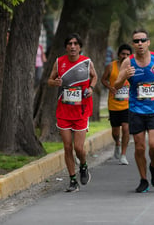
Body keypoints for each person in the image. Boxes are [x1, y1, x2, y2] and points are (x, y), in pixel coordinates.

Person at [114, 29, 154, 193]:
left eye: (142, 40)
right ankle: (143, 179)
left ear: (148, 42)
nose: (139, 43)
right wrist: (124, 75)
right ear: (133, 44)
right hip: (135, 109)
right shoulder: (127, 63)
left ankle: (153, 166)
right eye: (136, 41)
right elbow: (116, 86)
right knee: (139, 147)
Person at [47, 33, 98, 192]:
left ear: (80, 47)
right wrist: (55, 82)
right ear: (66, 47)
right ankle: (72, 180)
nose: (73, 46)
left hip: (81, 110)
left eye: (76, 43)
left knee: (79, 148)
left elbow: (94, 77)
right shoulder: (59, 62)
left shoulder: (87, 62)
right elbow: (49, 80)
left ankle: (83, 165)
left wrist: (91, 88)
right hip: (64, 111)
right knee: (67, 147)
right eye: (70, 43)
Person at [101, 44, 132, 165]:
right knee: (115, 131)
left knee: (126, 128)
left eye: (128, 54)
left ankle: (123, 154)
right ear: (118, 54)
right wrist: (110, 87)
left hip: (127, 104)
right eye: (123, 54)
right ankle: (117, 143)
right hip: (113, 103)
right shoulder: (111, 66)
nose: (125, 56)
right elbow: (103, 79)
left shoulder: (132, 67)